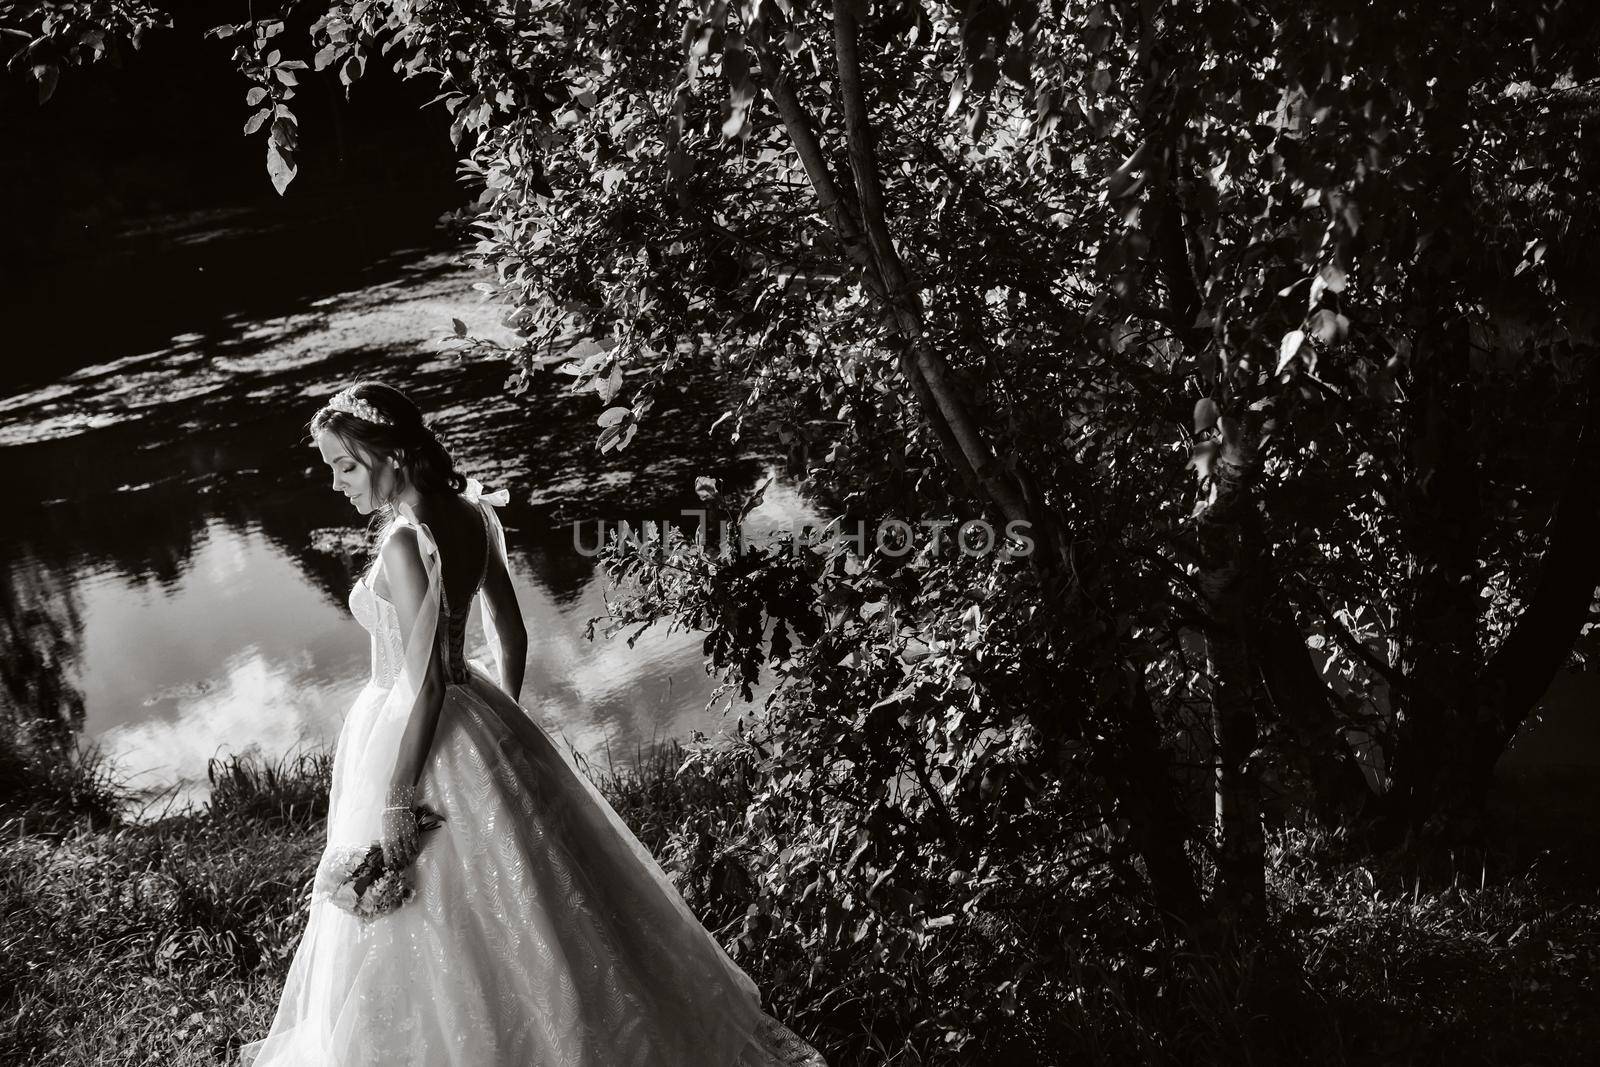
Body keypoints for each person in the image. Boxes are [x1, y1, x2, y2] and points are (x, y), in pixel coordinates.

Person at [241, 381, 825, 1066]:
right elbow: (511, 636)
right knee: (539, 897)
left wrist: (399, 796)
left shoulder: (404, 540)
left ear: (390, 454)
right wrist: (498, 734)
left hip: (410, 726)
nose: (336, 483)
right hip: (476, 711)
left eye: (344, 465)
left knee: (432, 904)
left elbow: (424, 682)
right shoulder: (471, 512)